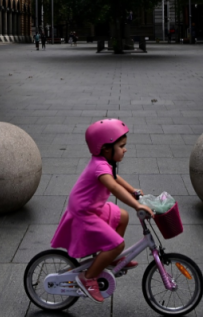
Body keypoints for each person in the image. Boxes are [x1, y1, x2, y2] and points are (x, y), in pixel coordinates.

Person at [50, 119, 155, 303]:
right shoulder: (100, 166)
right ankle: (88, 277)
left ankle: (111, 259)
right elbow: (113, 187)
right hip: (84, 213)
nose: (125, 149)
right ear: (106, 149)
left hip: (92, 207)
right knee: (117, 244)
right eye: (121, 146)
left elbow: (116, 178)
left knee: (122, 216)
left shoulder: (104, 162)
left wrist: (133, 191)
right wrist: (137, 204)